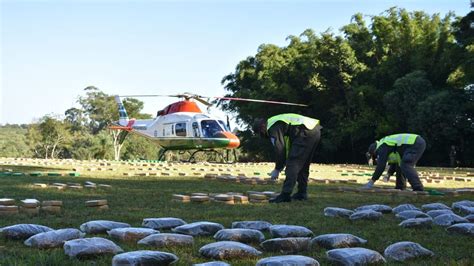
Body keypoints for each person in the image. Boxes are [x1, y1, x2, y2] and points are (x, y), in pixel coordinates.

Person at [253, 113, 321, 203]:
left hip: (304, 131)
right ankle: (302, 193)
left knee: (293, 163)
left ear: (262, 127)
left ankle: (285, 194)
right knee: (303, 165)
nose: (264, 136)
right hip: (314, 130)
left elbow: (279, 148)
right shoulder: (276, 122)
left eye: (261, 133)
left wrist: (277, 169)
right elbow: (285, 148)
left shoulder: (272, 127)